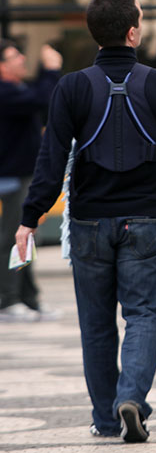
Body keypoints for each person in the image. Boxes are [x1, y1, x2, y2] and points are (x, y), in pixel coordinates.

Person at [15, 0, 156, 443]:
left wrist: (30, 218)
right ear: (132, 33)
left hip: (89, 222)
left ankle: (107, 419)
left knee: (96, 326)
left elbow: (51, 161)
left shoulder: (70, 87)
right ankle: (131, 396)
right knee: (144, 315)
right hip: (147, 220)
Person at [0, 40, 62, 322]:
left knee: (24, 239)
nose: (22, 59)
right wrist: (50, 70)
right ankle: (9, 300)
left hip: (24, 175)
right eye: (14, 56)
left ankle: (29, 298)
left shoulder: (17, 88)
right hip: (11, 179)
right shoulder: (5, 92)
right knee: (13, 239)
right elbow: (44, 99)